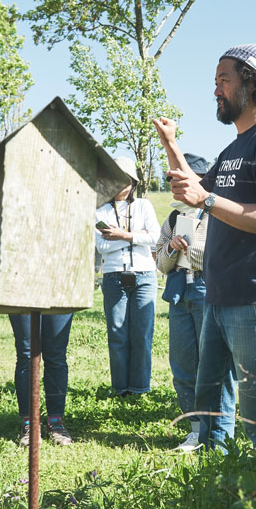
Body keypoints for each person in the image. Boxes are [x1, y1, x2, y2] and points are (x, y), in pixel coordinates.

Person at [154, 43, 256, 449]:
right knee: (213, 417)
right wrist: (170, 142)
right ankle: (218, 495)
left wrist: (208, 201)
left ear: (251, 84)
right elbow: (197, 190)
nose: (216, 90)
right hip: (218, 298)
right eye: (215, 81)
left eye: (224, 80)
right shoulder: (233, 148)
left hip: (254, 300)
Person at [153, 152, 222, 452]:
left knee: (211, 363)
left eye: (180, 179)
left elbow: (213, 258)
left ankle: (215, 430)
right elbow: (160, 261)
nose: (175, 186)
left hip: (208, 290)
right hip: (178, 292)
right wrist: (171, 246)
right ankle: (195, 430)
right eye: (172, 181)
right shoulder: (173, 217)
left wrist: (188, 246)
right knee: (181, 364)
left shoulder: (217, 214)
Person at [95, 157, 159, 397]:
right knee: (117, 333)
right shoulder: (100, 210)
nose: (122, 185)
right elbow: (101, 246)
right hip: (113, 276)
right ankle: (120, 388)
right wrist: (136, 235)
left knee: (142, 334)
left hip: (144, 274)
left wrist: (122, 235)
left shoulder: (144, 206)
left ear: (133, 182)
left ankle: (140, 388)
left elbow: (155, 237)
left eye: (127, 180)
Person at [9, 313, 75, 446]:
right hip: (22, 294)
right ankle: (29, 423)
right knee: (27, 355)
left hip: (60, 294)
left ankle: (56, 422)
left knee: (56, 356)